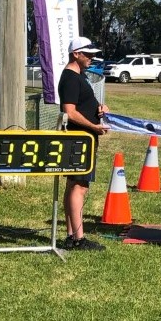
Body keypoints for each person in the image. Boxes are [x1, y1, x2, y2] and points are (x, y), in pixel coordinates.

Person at [58, 36, 110, 251]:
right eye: (88, 54)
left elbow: (82, 103)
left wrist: (100, 108)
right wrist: (94, 126)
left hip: (83, 138)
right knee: (80, 187)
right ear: (76, 54)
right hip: (79, 139)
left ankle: (71, 236)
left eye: (93, 54)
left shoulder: (80, 76)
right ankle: (79, 238)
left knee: (74, 186)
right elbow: (69, 112)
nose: (92, 58)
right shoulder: (71, 77)